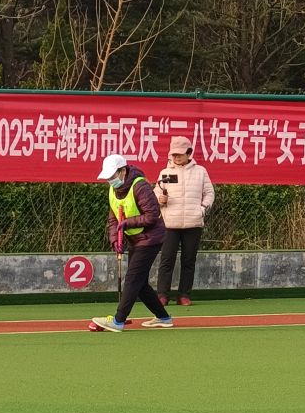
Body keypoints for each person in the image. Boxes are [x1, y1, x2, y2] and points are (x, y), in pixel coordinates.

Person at [90, 153, 174, 333]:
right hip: (134, 239)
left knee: (133, 278)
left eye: (112, 176)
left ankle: (118, 320)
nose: (110, 180)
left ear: (123, 171)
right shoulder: (113, 190)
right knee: (140, 283)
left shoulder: (140, 186)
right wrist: (114, 239)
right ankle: (163, 317)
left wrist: (127, 223)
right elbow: (113, 218)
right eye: (108, 177)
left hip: (151, 238)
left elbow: (152, 216)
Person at [155, 135, 215, 306]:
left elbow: (209, 193)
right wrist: (160, 199)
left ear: (189, 153)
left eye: (180, 154)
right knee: (167, 260)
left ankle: (184, 295)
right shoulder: (165, 173)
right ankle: (162, 295)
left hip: (193, 223)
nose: (176, 157)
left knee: (189, 261)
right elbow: (156, 193)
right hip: (170, 224)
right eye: (173, 154)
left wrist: (202, 210)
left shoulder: (200, 171)